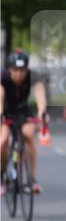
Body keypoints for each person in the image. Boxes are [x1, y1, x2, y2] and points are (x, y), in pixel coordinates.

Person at [1, 49, 48, 194]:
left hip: (23, 111)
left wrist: (42, 113)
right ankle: (1, 175)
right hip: (6, 111)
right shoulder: (3, 77)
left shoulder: (32, 76)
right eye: (15, 70)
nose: (19, 74)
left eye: (22, 70)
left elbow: (40, 94)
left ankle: (32, 179)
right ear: (10, 69)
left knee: (28, 135)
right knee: (3, 140)